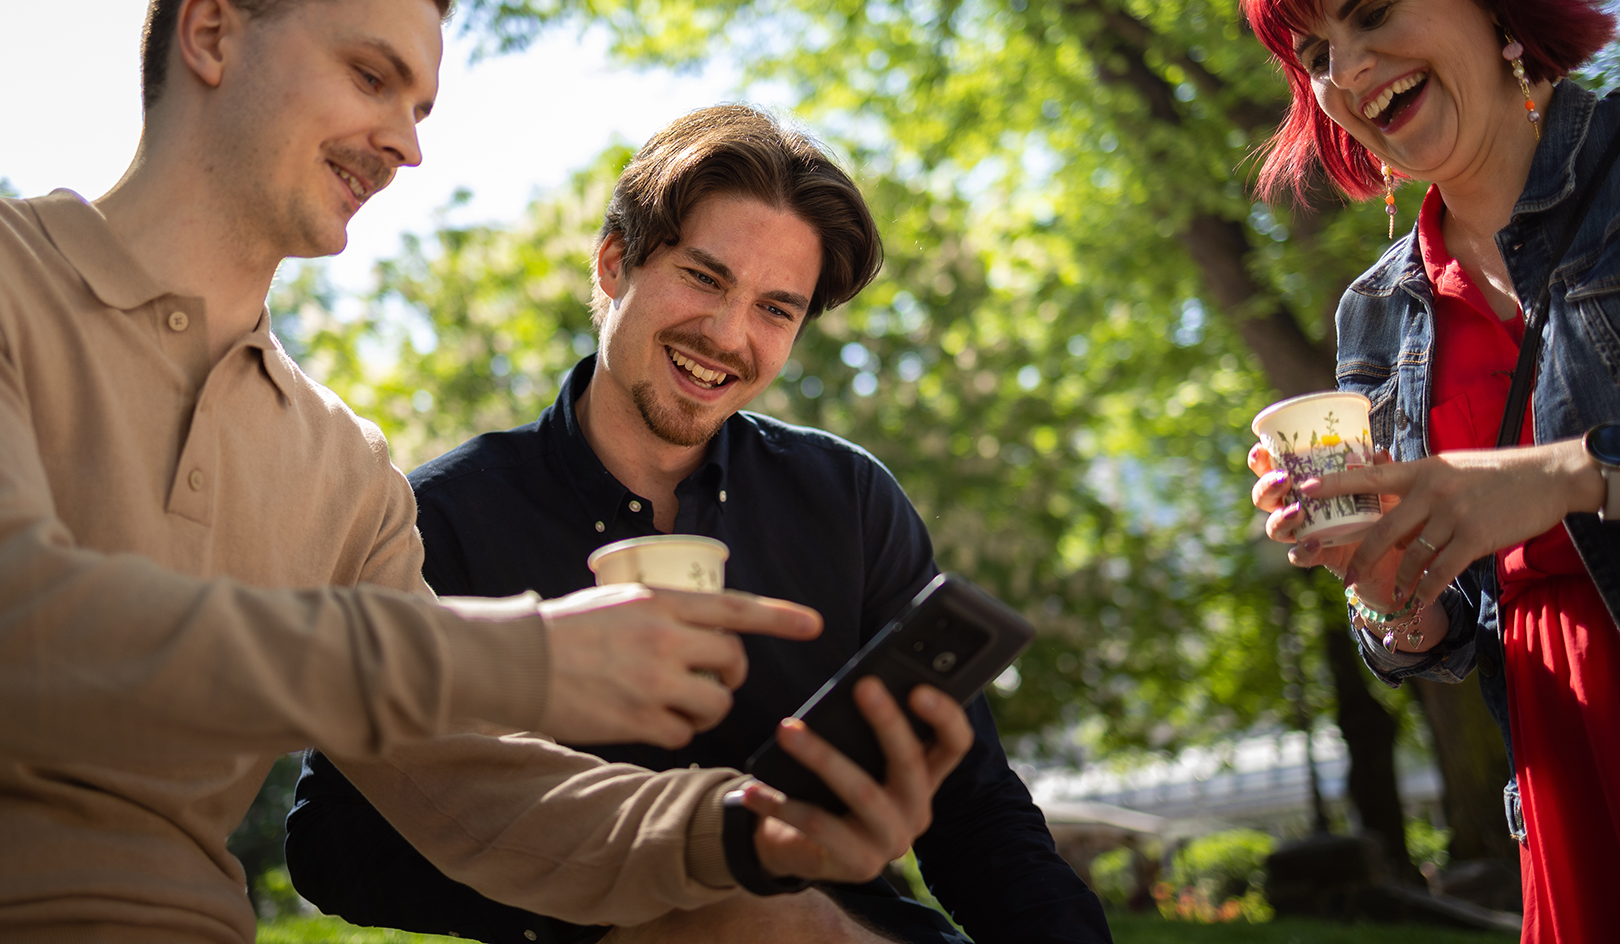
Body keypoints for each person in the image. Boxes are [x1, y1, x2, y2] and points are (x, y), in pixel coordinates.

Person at [0, 0, 978, 942]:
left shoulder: (343, 468)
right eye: (373, 77)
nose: (409, 145)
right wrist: (523, 651)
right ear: (212, 35)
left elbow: (473, 787)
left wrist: (735, 830)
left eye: (421, 105)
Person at [285, 106, 1110, 944]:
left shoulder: (849, 499)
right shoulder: (438, 521)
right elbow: (330, 840)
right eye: (706, 279)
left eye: (776, 309)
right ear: (614, 264)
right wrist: (622, 916)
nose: (728, 336)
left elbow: (972, 810)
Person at [1237, 0, 1620, 941]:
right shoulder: (1377, 311)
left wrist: (1569, 475)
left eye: (1373, 13)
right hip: (1555, 763)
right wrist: (1390, 593)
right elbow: (1450, 632)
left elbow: (1538, 491)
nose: (1347, 72)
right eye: (1314, 58)